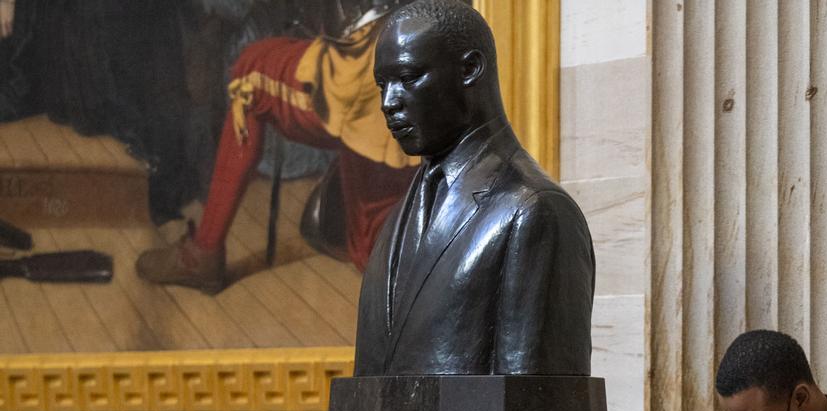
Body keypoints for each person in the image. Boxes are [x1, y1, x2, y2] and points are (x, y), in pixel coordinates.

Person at [352, 0, 594, 376]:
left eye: (409, 77)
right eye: (383, 84)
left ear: (469, 68)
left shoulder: (533, 212)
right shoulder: (399, 219)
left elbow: (533, 409)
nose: (389, 102)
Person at [136, 2, 421, 293]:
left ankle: (204, 252)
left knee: (251, 72)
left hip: (376, 62)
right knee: (372, 238)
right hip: (430, 66)